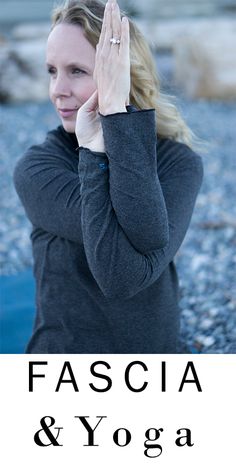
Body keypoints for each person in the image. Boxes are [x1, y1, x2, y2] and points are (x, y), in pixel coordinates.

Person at [13, 0, 203, 354]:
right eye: (52, 71)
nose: (57, 89)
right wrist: (94, 151)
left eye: (77, 71)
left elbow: (137, 253)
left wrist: (116, 116)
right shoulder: (38, 169)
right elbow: (120, 275)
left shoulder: (179, 164)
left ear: (123, 75)